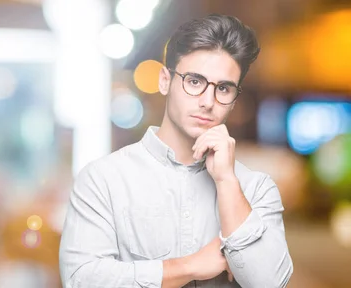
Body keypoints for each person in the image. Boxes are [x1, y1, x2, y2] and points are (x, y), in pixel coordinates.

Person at [59, 14, 293, 288]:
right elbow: (81, 280)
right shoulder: (103, 179)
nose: (208, 101)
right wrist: (190, 266)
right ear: (165, 81)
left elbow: (271, 284)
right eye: (194, 81)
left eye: (224, 88)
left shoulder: (257, 188)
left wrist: (227, 182)